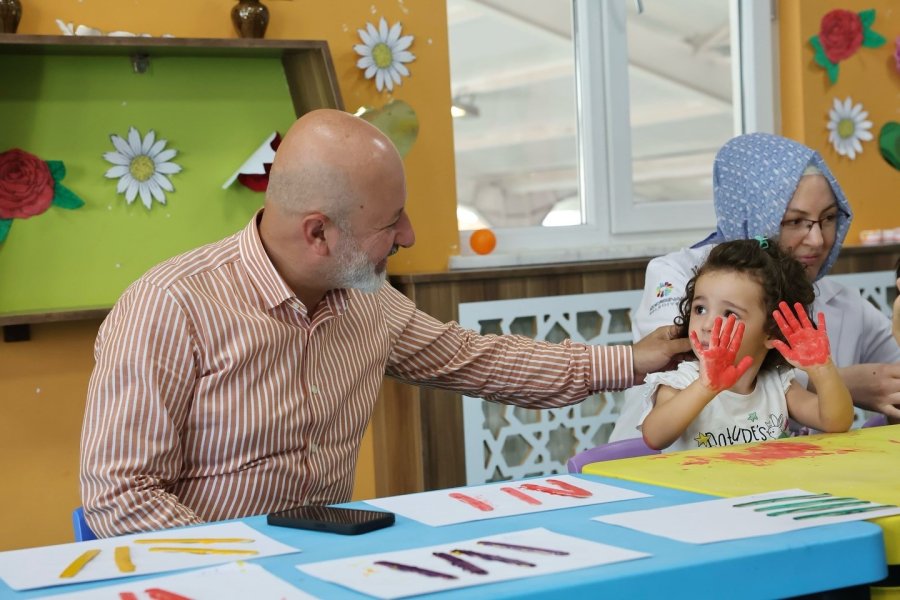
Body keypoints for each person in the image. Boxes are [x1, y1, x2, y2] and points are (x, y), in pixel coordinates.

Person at [80, 109, 691, 537]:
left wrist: (632, 361)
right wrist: (245, 569)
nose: (409, 237)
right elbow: (121, 497)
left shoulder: (367, 300)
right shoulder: (169, 307)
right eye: (391, 222)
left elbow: (477, 359)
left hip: (328, 559)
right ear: (318, 232)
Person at [611, 133, 900, 442]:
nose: (817, 240)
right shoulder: (677, 273)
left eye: (828, 218)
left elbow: (840, 412)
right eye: (793, 221)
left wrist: (823, 369)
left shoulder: (836, 300)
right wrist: (845, 383)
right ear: (754, 214)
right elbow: (695, 362)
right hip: (648, 470)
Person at [639, 240, 853, 452]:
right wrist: (704, 388)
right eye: (700, 309)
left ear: (771, 331)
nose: (707, 325)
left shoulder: (777, 384)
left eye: (729, 314)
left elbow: (836, 422)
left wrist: (822, 368)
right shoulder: (682, 382)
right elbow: (654, 436)